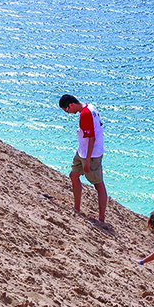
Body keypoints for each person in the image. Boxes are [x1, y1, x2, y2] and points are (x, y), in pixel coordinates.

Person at [58, 94, 108, 225]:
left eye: (67, 110)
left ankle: (101, 218)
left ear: (71, 105)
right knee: (74, 175)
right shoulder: (89, 107)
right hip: (82, 151)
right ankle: (76, 208)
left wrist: (87, 161)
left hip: (90, 155)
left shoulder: (85, 114)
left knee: (98, 185)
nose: (68, 113)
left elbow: (91, 138)